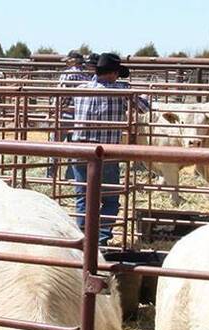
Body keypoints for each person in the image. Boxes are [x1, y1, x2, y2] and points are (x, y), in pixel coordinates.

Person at [65, 53, 147, 244]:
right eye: (117, 73)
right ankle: (100, 240)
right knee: (110, 199)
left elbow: (65, 104)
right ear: (112, 73)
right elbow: (143, 107)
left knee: (83, 197)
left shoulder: (81, 88)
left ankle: (84, 240)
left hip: (80, 150)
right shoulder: (121, 90)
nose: (118, 77)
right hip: (106, 152)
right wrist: (144, 94)